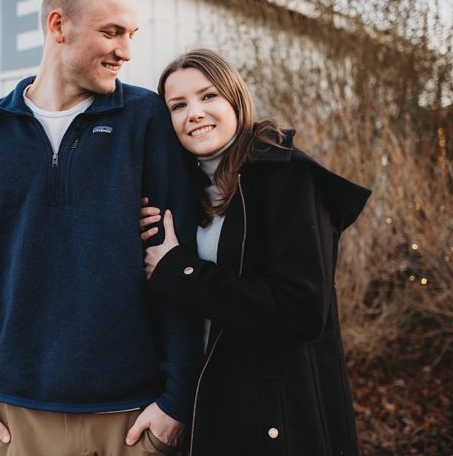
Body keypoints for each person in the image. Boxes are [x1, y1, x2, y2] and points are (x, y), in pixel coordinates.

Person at [0, 0, 202, 456]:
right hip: (19, 418)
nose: (125, 50)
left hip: (132, 416)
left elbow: (177, 261)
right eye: (111, 32)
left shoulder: (144, 120)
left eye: (131, 34)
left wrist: (177, 399)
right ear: (58, 26)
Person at [140, 48, 370, 455]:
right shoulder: (187, 190)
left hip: (274, 413)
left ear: (235, 100)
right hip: (205, 402)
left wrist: (181, 272)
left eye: (208, 96)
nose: (194, 113)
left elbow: (301, 309)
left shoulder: (287, 178)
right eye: (178, 105)